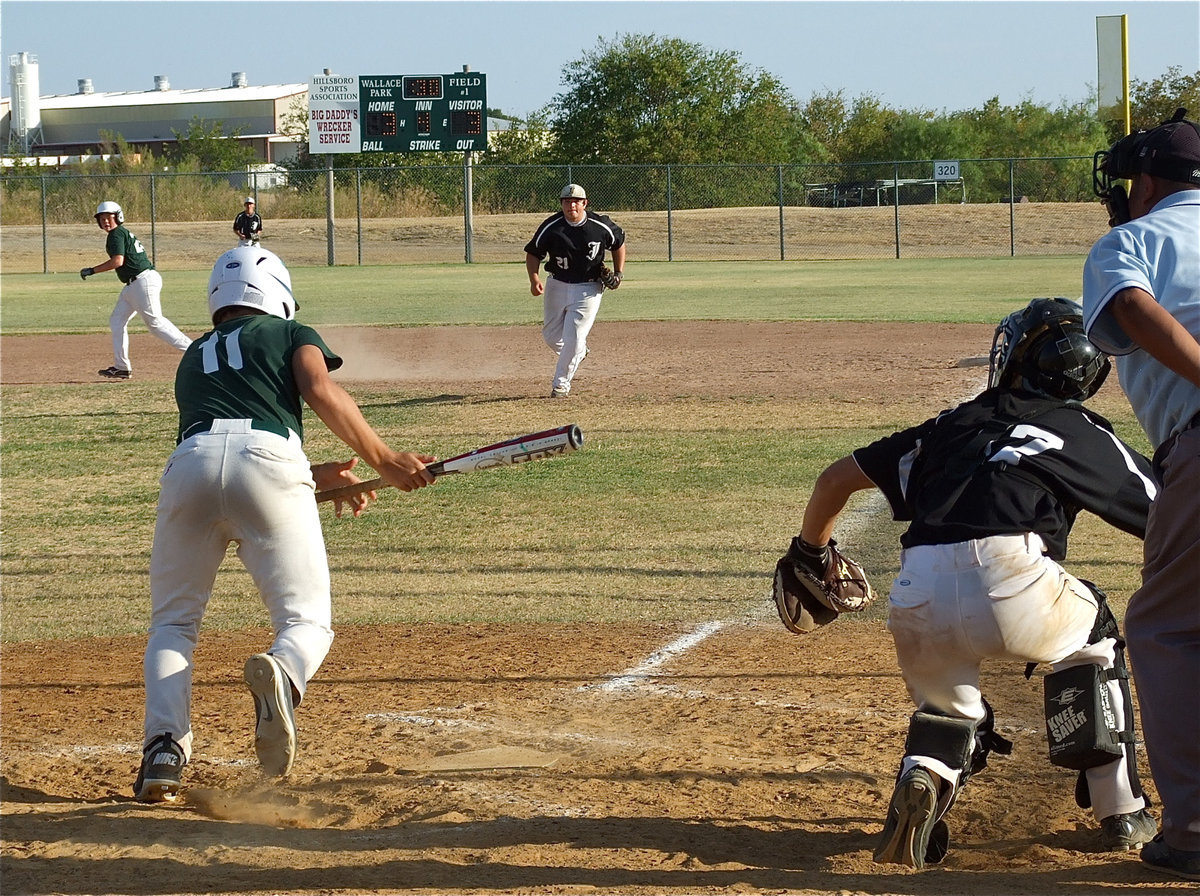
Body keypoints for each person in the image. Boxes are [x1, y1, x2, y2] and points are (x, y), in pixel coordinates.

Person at [785, 298, 1159, 869]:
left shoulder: (950, 424)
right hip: (1016, 583)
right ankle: (1121, 808)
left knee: (947, 706)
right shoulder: (1076, 427)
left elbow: (835, 479)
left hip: (916, 594)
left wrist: (811, 551)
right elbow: (1162, 506)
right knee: (1095, 632)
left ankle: (923, 781)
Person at [134, 244, 438, 802]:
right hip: (270, 464)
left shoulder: (194, 352)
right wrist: (385, 460)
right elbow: (317, 390)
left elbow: (225, 447)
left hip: (188, 468)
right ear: (278, 293)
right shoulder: (291, 334)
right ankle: (283, 672)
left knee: (173, 624)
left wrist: (313, 476)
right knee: (306, 622)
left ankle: (163, 751)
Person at [1082, 108, 1200, 882]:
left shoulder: (1134, 238)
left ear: (1148, 183)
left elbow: (1127, 308)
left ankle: (1190, 829)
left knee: (1166, 628)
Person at [524, 183, 626, 398]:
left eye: (576, 201)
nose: (572, 205)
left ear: (585, 204)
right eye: (567, 201)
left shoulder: (600, 225)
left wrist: (618, 273)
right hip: (557, 283)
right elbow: (533, 253)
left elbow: (618, 243)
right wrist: (534, 279)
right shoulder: (551, 226)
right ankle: (579, 352)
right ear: (561, 204)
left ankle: (561, 384)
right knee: (551, 336)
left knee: (575, 337)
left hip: (588, 287)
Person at [80, 201, 193, 380]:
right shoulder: (120, 233)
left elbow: (118, 261)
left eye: (109, 218)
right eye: (102, 219)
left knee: (155, 323)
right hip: (134, 285)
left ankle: (194, 350)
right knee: (117, 321)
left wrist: (92, 270)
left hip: (142, 281)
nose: (105, 222)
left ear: (118, 217)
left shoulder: (116, 234)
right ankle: (122, 367)